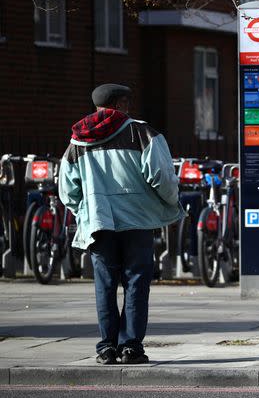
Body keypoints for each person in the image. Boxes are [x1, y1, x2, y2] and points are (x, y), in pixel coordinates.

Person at [58, 84, 185, 365]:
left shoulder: (78, 141)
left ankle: (106, 347)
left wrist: (85, 209)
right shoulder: (141, 132)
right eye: (127, 102)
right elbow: (161, 177)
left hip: (99, 223)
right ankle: (130, 347)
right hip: (136, 221)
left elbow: (67, 190)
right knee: (136, 284)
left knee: (105, 285)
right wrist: (172, 203)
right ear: (121, 104)